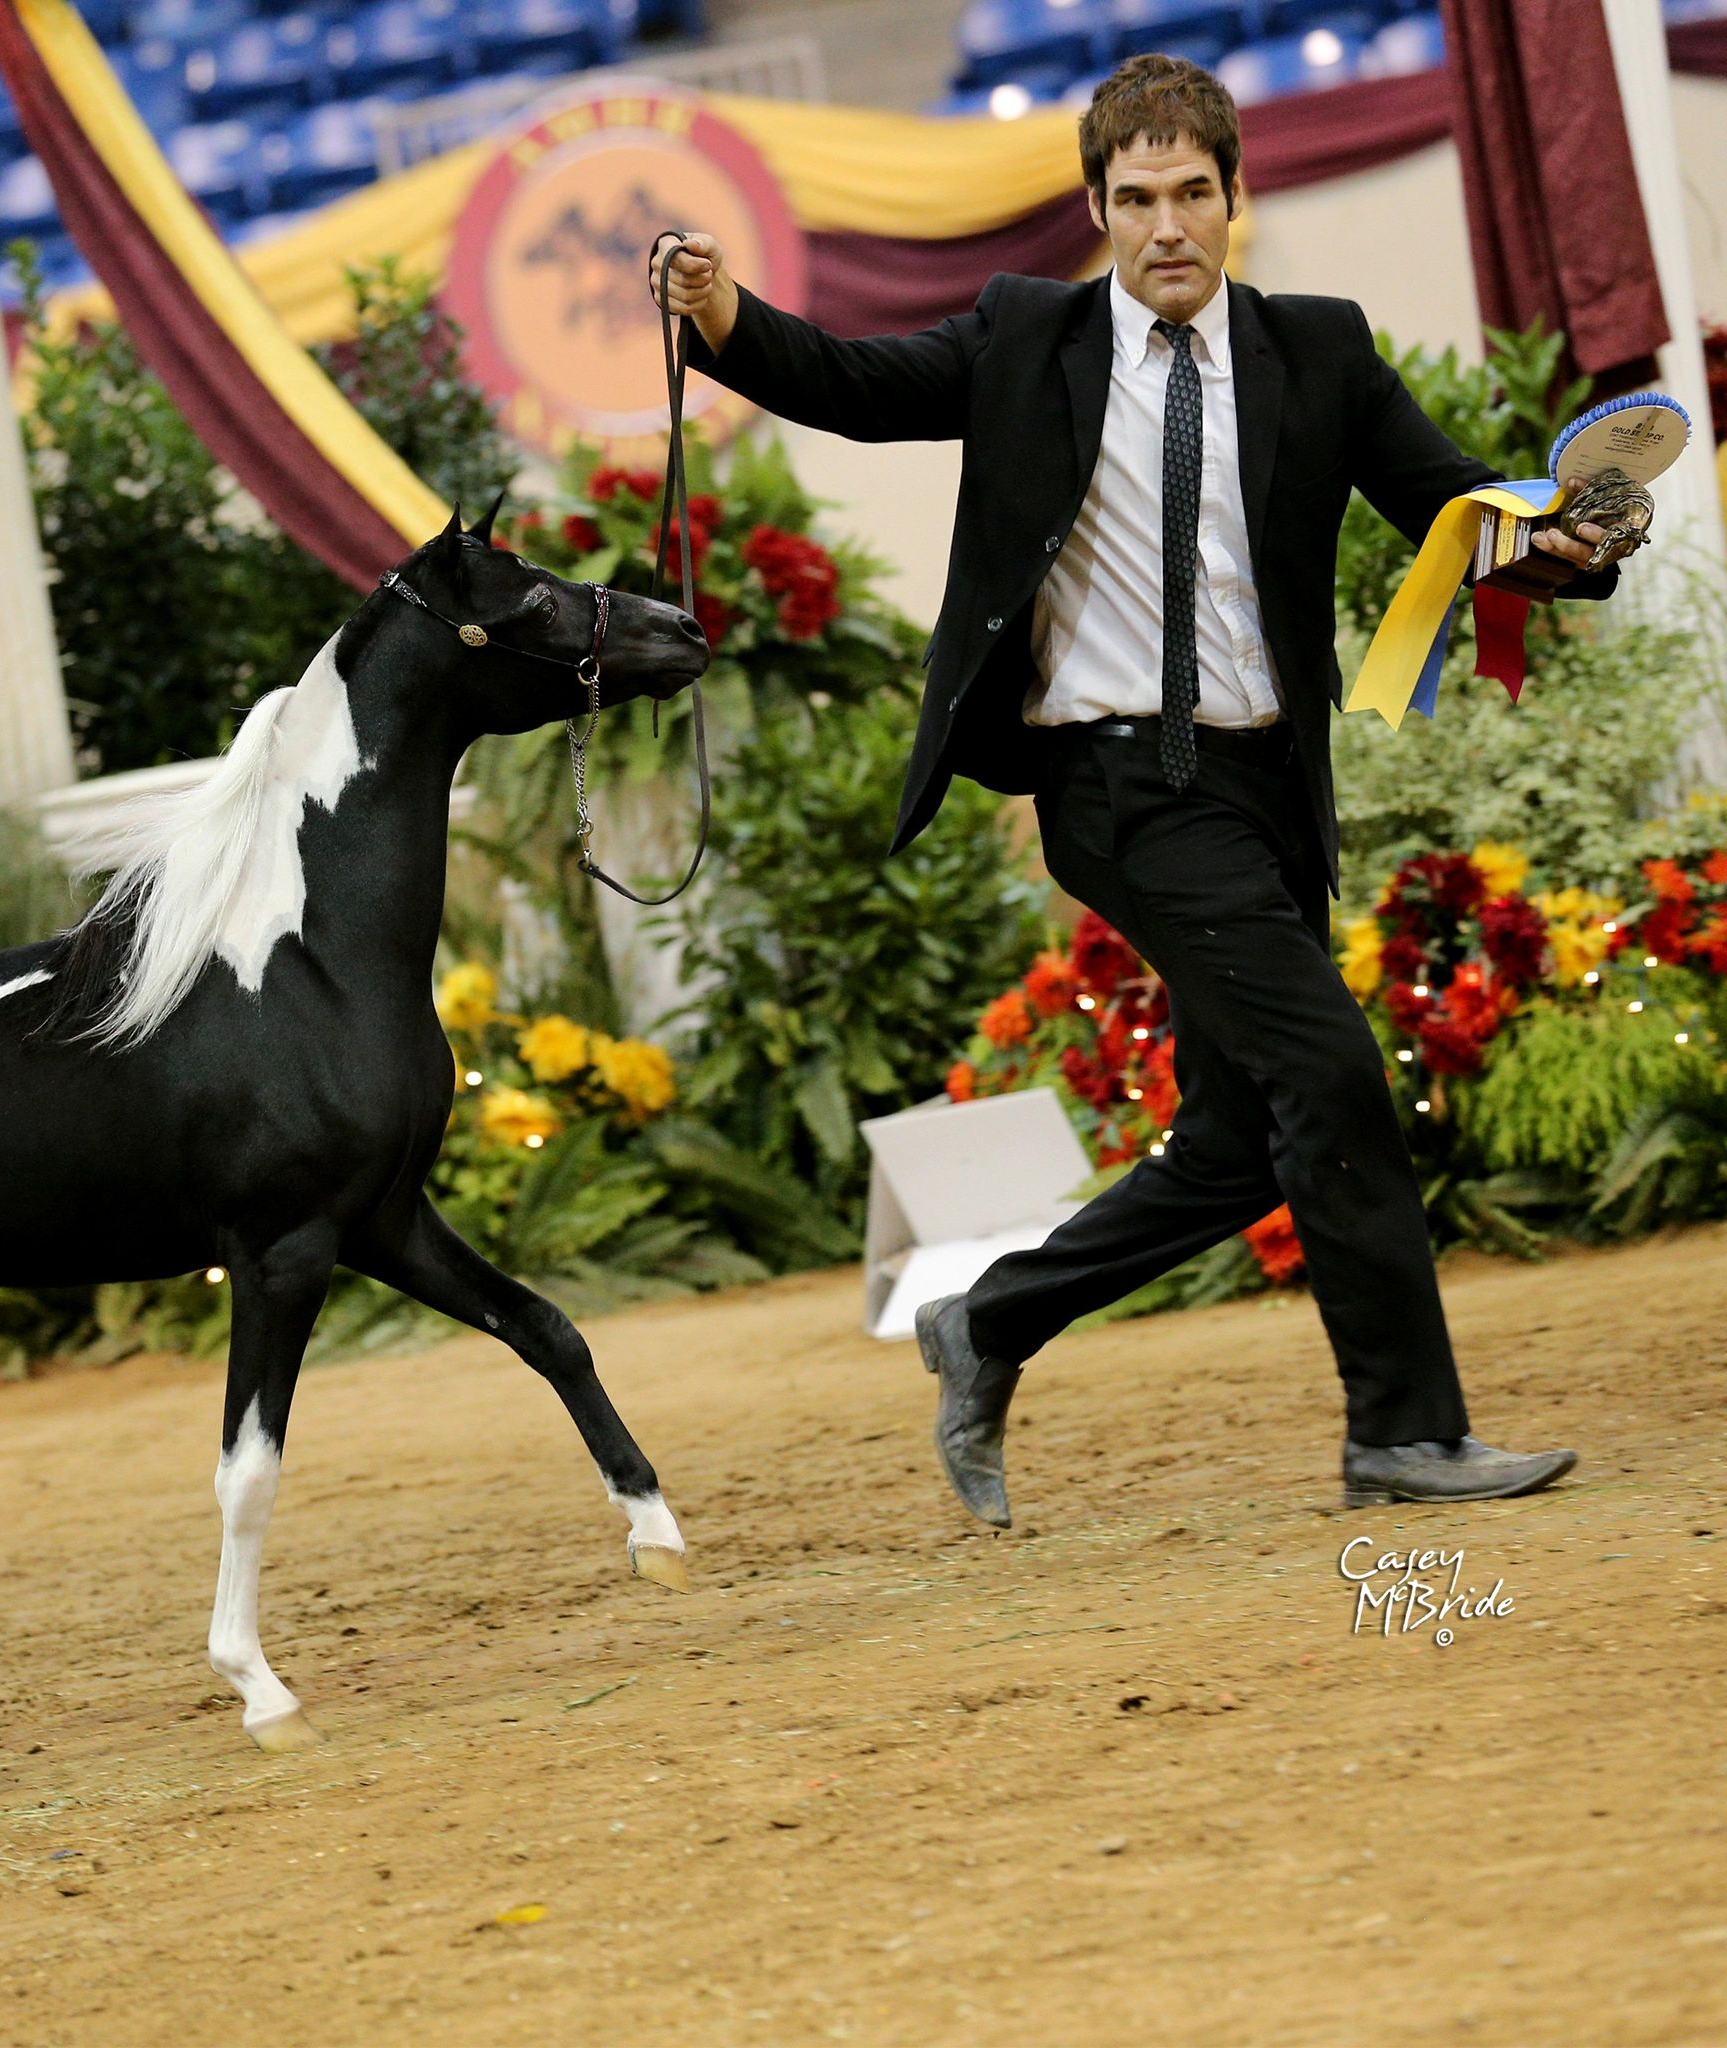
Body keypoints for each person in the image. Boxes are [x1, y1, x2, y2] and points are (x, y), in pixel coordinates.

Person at [651, 53, 1636, 1524]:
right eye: (1135, 199)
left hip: (1267, 789)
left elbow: (1454, 507)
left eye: (1191, 193)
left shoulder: (1319, 349)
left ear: (1237, 197)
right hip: (1118, 785)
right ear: (1098, 210)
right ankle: (1407, 1435)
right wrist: (722, 310)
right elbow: (853, 387)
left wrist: (1566, 544)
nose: (1167, 225)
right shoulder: (1024, 337)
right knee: (1333, 1073)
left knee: (1239, 1146)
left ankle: (987, 1322)